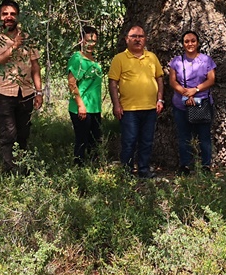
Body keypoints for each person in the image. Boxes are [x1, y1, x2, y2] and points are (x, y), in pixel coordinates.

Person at [0, 0, 43, 173]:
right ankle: (10, 170)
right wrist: (14, 47)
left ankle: (22, 169)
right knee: (8, 134)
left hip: (26, 92)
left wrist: (39, 92)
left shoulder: (28, 38)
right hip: (3, 92)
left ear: (18, 16)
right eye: (5, 14)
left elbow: (35, 66)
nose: (9, 17)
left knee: (24, 133)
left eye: (12, 14)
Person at [107, 24, 165, 178]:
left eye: (141, 36)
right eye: (134, 37)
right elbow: (113, 83)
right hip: (128, 109)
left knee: (147, 141)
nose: (137, 40)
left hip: (150, 108)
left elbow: (159, 78)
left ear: (145, 39)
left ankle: (143, 170)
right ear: (127, 39)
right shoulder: (119, 59)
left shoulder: (152, 57)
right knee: (129, 141)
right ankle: (126, 172)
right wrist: (116, 104)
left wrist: (160, 99)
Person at [167, 29, 217, 174]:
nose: (190, 44)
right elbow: (172, 81)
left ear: (198, 43)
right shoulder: (176, 61)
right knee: (184, 136)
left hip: (202, 103)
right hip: (181, 104)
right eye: (187, 41)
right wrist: (185, 93)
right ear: (183, 44)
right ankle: (185, 165)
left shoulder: (206, 60)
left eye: (193, 41)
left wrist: (194, 90)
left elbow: (211, 79)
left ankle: (206, 166)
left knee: (204, 136)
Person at [67, 25, 104, 165]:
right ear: (80, 40)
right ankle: (79, 168)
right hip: (81, 108)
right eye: (87, 40)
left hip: (94, 107)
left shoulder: (93, 59)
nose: (90, 44)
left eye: (93, 41)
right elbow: (71, 83)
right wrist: (80, 105)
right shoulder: (78, 59)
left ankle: (94, 168)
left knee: (95, 140)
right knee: (82, 140)